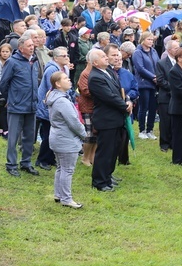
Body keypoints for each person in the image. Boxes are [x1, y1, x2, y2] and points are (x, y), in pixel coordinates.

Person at [87, 49, 132, 191]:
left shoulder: (109, 72)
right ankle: (99, 182)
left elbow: (120, 91)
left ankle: (108, 175)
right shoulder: (95, 77)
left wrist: (128, 100)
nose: (106, 58)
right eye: (103, 57)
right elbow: (109, 97)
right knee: (105, 151)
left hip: (116, 117)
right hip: (107, 119)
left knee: (113, 150)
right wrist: (124, 106)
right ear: (95, 62)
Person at [0, 34, 40, 176]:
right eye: (29, 46)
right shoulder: (12, 62)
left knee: (29, 136)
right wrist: (11, 99)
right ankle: (11, 164)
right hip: (17, 105)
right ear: (21, 48)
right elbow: (3, 83)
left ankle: (26, 162)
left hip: (31, 105)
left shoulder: (34, 61)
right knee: (13, 137)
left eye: (32, 45)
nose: (32, 48)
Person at [46, 71, 87, 208]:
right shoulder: (62, 101)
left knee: (61, 167)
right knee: (67, 169)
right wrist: (84, 135)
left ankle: (59, 194)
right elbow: (74, 122)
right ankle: (66, 199)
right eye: (65, 78)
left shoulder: (56, 97)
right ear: (58, 84)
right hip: (65, 140)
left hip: (58, 138)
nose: (69, 80)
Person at [36, 47, 72, 170]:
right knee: (48, 135)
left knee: (53, 133)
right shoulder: (52, 69)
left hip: (53, 106)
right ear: (56, 58)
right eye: (64, 56)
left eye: (67, 55)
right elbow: (54, 88)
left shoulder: (63, 68)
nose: (67, 57)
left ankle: (50, 158)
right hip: (47, 107)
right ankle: (42, 160)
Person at [132, 31, 159, 140]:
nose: (151, 42)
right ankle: (142, 129)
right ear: (143, 40)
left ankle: (150, 130)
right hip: (144, 83)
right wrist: (153, 77)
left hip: (154, 83)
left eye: (152, 40)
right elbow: (140, 68)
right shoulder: (137, 52)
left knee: (153, 107)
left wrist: (158, 77)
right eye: (149, 39)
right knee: (144, 107)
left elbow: (158, 64)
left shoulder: (154, 51)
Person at [156, 39, 178, 152]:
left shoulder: (180, 62)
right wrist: (174, 88)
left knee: (174, 122)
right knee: (165, 121)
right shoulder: (161, 63)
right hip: (166, 96)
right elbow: (160, 80)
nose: (178, 50)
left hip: (177, 98)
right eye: (175, 48)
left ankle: (173, 143)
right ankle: (164, 144)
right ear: (169, 50)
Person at [0, 44, 12, 137]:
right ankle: (4, 130)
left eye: (7, 52)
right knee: (3, 110)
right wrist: (7, 82)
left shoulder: (9, 62)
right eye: (3, 52)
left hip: (6, 90)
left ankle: (0, 129)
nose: (4, 54)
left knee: (4, 110)